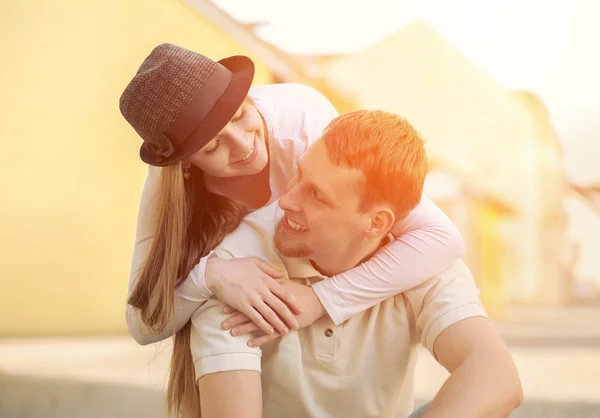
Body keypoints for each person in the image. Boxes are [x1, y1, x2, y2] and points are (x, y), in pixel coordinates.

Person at [119, 44, 465, 415]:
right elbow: (143, 322)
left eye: (238, 116)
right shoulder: (170, 189)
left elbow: (440, 238)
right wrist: (210, 275)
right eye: (213, 146)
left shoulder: (302, 122)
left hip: (317, 306)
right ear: (186, 164)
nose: (242, 146)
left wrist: (321, 301)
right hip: (237, 317)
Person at [189, 110, 524, 418]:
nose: (287, 201)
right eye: (298, 175)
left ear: (377, 223)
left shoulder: (422, 264)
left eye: (317, 196)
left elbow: (496, 378)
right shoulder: (241, 273)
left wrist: (322, 300)